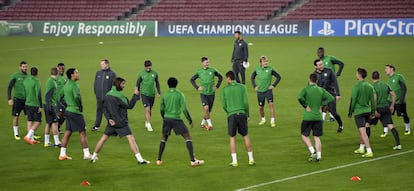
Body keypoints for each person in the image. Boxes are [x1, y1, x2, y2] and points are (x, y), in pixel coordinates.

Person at [91, 77, 150, 164]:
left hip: (111, 122)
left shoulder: (107, 95)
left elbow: (105, 109)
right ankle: (140, 159)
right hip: (121, 122)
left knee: (103, 139)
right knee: (131, 139)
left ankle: (93, 157)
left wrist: (109, 119)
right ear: (118, 84)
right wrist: (135, 95)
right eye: (123, 84)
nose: (124, 86)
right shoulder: (120, 96)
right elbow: (129, 106)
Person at [156, 77, 204, 167]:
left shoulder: (165, 95)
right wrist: (190, 120)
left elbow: (161, 108)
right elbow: (184, 109)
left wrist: (164, 117)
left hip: (167, 119)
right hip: (176, 119)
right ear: (176, 84)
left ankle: (159, 159)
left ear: (168, 84)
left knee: (164, 138)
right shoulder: (180, 94)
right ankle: (192, 160)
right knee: (188, 137)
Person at [298, 73, 334, 162]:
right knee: (316, 137)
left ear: (309, 79)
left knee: (304, 135)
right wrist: (322, 104)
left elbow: (299, 97)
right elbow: (331, 98)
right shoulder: (321, 90)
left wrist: (305, 106)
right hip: (318, 116)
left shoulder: (305, 89)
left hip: (308, 116)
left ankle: (312, 151)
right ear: (317, 81)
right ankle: (319, 156)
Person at [221, 71, 255, 167]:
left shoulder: (225, 90)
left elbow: (224, 105)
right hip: (242, 113)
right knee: (245, 136)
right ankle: (251, 159)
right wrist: (247, 114)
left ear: (228, 78)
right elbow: (245, 102)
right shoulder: (242, 87)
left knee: (232, 137)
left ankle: (235, 161)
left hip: (231, 115)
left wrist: (229, 112)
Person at [58, 68, 91, 160]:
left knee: (68, 132)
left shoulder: (66, 85)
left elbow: (59, 97)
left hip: (68, 111)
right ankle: (87, 154)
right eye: (77, 73)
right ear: (72, 75)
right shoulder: (75, 85)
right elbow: (77, 97)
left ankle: (62, 154)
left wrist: (67, 104)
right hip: (75, 112)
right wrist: (79, 105)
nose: (78, 74)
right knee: (83, 132)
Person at [368, 71, 401, 150]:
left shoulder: (372, 87)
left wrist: (374, 110)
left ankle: (365, 145)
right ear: (379, 77)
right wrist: (392, 106)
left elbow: (374, 99)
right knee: (391, 125)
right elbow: (394, 95)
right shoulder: (385, 85)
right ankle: (398, 144)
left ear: (372, 77)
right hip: (386, 108)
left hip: (378, 109)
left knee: (366, 124)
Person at [190, 56, 223, 131]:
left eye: (208, 62)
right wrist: (197, 87)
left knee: (208, 111)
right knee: (206, 108)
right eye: (206, 62)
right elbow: (192, 79)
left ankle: (203, 123)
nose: (208, 63)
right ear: (202, 63)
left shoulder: (213, 70)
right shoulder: (199, 72)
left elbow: (221, 77)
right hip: (203, 93)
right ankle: (210, 124)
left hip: (211, 93)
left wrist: (217, 86)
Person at [348, 68, 375, 158]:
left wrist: (350, 113)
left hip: (359, 112)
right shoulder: (370, 86)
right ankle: (361, 147)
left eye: (356, 73)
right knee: (362, 131)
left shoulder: (356, 87)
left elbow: (353, 100)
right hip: (367, 111)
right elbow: (373, 101)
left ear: (359, 75)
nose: (356, 75)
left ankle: (369, 150)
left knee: (363, 132)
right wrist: (373, 112)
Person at [313, 59, 344, 133]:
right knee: (317, 113)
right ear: (315, 67)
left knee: (333, 112)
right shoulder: (314, 75)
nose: (322, 66)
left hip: (330, 95)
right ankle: (317, 129)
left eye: (322, 64)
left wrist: (338, 94)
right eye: (319, 65)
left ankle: (340, 125)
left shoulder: (329, 71)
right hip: (320, 96)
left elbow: (335, 82)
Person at [250, 55, 281, 127]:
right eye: (264, 61)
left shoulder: (270, 69)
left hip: (268, 91)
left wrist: (273, 85)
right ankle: (263, 119)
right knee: (261, 107)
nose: (266, 62)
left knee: (271, 104)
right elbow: (252, 77)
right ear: (261, 62)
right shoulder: (257, 69)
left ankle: (272, 120)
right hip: (260, 91)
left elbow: (278, 77)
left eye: (266, 61)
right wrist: (254, 86)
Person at [317, 47, 345, 122]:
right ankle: (331, 116)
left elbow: (341, 64)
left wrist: (337, 74)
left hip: (331, 82)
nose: (320, 54)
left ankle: (325, 117)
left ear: (323, 52)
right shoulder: (319, 62)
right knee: (326, 100)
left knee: (328, 99)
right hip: (324, 82)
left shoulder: (330, 58)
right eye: (318, 53)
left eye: (321, 52)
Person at [135, 60, 161, 132]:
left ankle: (147, 121)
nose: (149, 68)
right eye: (147, 67)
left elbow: (157, 83)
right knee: (147, 109)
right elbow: (138, 84)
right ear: (145, 67)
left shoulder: (154, 73)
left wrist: (159, 92)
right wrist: (137, 94)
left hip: (152, 94)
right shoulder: (141, 74)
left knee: (150, 110)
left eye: (150, 67)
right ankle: (149, 124)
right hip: (144, 94)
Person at [91, 59, 116, 131]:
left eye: (102, 64)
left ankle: (113, 127)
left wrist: (111, 96)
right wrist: (96, 93)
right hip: (99, 97)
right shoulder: (98, 73)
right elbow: (95, 84)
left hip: (108, 98)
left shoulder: (112, 74)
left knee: (109, 112)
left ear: (107, 64)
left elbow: (114, 86)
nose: (101, 65)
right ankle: (96, 126)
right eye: (101, 64)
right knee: (99, 111)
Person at [385, 64, 411, 135]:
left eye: (387, 69)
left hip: (399, 101)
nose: (385, 70)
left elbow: (404, 88)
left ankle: (407, 128)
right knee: (386, 114)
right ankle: (386, 130)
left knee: (403, 114)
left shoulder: (399, 77)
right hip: (390, 100)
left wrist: (401, 100)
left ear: (392, 69)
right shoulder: (389, 79)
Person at [7, 61, 28, 140]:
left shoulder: (28, 76)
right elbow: (9, 87)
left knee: (29, 117)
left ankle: (30, 133)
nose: (25, 68)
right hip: (18, 100)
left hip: (26, 100)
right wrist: (9, 98)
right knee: (16, 116)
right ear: (20, 67)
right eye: (23, 67)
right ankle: (16, 133)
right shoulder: (15, 76)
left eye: (26, 67)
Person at [23, 67, 42, 145]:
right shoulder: (36, 81)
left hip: (27, 103)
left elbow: (24, 92)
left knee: (29, 120)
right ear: (37, 73)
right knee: (38, 121)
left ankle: (31, 139)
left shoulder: (26, 80)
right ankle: (28, 136)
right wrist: (40, 105)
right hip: (35, 104)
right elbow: (38, 94)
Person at [43, 67, 61, 147]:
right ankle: (57, 142)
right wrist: (49, 107)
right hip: (50, 105)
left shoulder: (51, 81)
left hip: (48, 104)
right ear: (57, 73)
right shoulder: (52, 82)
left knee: (49, 123)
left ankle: (46, 142)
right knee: (55, 123)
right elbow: (47, 96)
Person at [56, 62, 67, 133]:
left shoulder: (65, 77)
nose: (62, 70)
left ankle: (58, 128)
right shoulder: (56, 77)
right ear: (57, 69)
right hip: (57, 99)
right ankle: (54, 127)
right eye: (60, 69)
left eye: (63, 68)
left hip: (63, 99)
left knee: (65, 115)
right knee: (58, 113)